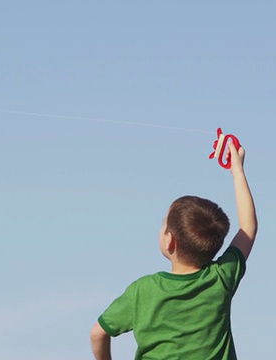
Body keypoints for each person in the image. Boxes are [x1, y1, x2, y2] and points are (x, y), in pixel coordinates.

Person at [90, 143, 257, 360]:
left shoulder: (143, 291)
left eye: (163, 223)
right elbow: (248, 228)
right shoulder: (221, 279)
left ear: (170, 241)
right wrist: (238, 170)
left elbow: (97, 333)